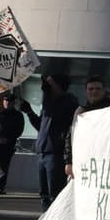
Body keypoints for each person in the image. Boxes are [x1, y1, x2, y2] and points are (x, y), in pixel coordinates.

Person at [33, 74, 79, 208]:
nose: (45, 89)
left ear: (58, 86)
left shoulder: (69, 102)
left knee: (55, 193)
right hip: (43, 152)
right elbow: (41, 127)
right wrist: (29, 111)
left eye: (49, 85)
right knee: (44, 194)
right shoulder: (48, 103)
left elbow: (68, 125)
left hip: (55, 154)